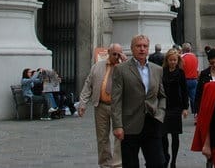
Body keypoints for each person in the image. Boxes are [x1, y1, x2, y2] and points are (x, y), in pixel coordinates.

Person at [112, 34, 166, 168]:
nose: (142, 49)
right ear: (132, 48)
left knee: (158, 163)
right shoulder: (121, 69)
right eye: (138, 46)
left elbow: (162, 95)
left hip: (152, 122)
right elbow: (116, 99)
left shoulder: (157, 70)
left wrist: (160, 113)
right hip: (130, 124)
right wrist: (117, 125)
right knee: (130, 164)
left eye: (145, 46)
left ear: (148, 49)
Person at [78, 44, 125, 168]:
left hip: (119, 106)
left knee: (119, 136)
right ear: (108, 52)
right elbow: (88, 85)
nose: (116, 57)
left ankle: (117, 164)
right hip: (101, 106)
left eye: (118, 54)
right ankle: (105, 164)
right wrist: (82, 103)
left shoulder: (124, 67)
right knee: (102, 137)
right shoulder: (97, 66)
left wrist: (124, 62)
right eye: (114, 54)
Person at [161, 48, 189, 168]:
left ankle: (173, 161)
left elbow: (184, 90)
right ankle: (166, 156)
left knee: (175, 135)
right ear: (167, 60)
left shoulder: (181, 73)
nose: (173, 62)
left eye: (175, 60)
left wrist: (185, 107)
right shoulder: (162, 71)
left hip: (176, 106)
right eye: (171, 60)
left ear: (178, 60)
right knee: (163, 134)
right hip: (164, 106)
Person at [194, 47, 215, 115]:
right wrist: (197, 110)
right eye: (212, 63)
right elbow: (199, 92)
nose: (214, 65)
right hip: (207, 108)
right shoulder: (204, 74)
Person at [180, 43, 200, 112]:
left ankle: (184, 110)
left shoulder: (181, 58)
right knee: (193, 98)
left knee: (182, 96)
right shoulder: (195, 57)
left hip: (184, 80)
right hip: (194, 79)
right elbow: (197, 69)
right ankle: (195, 113)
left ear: (183, 49)